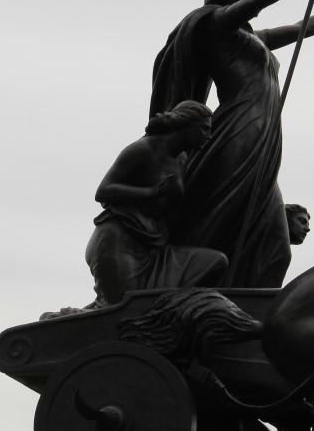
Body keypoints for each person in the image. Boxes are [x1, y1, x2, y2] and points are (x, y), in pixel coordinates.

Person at [151, 0, 314, 287]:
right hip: (240, 128)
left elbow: (301, 29)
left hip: (264, 134)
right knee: (221, 213)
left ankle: (254, 309)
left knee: (276, 245)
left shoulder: (250, 36)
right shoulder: (217, 23)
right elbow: (257, 2)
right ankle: (186, 289)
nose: (256, 7)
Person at [83, 100, 228, 306]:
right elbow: (103, 191)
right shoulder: (143, 149)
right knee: (122, 310)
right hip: (118, 242)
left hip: (153, 245)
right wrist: (149, 192)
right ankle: (61, 320)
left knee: (215, 262)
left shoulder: (182, 159)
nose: (209, 136)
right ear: (185, 125)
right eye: (204, 129)